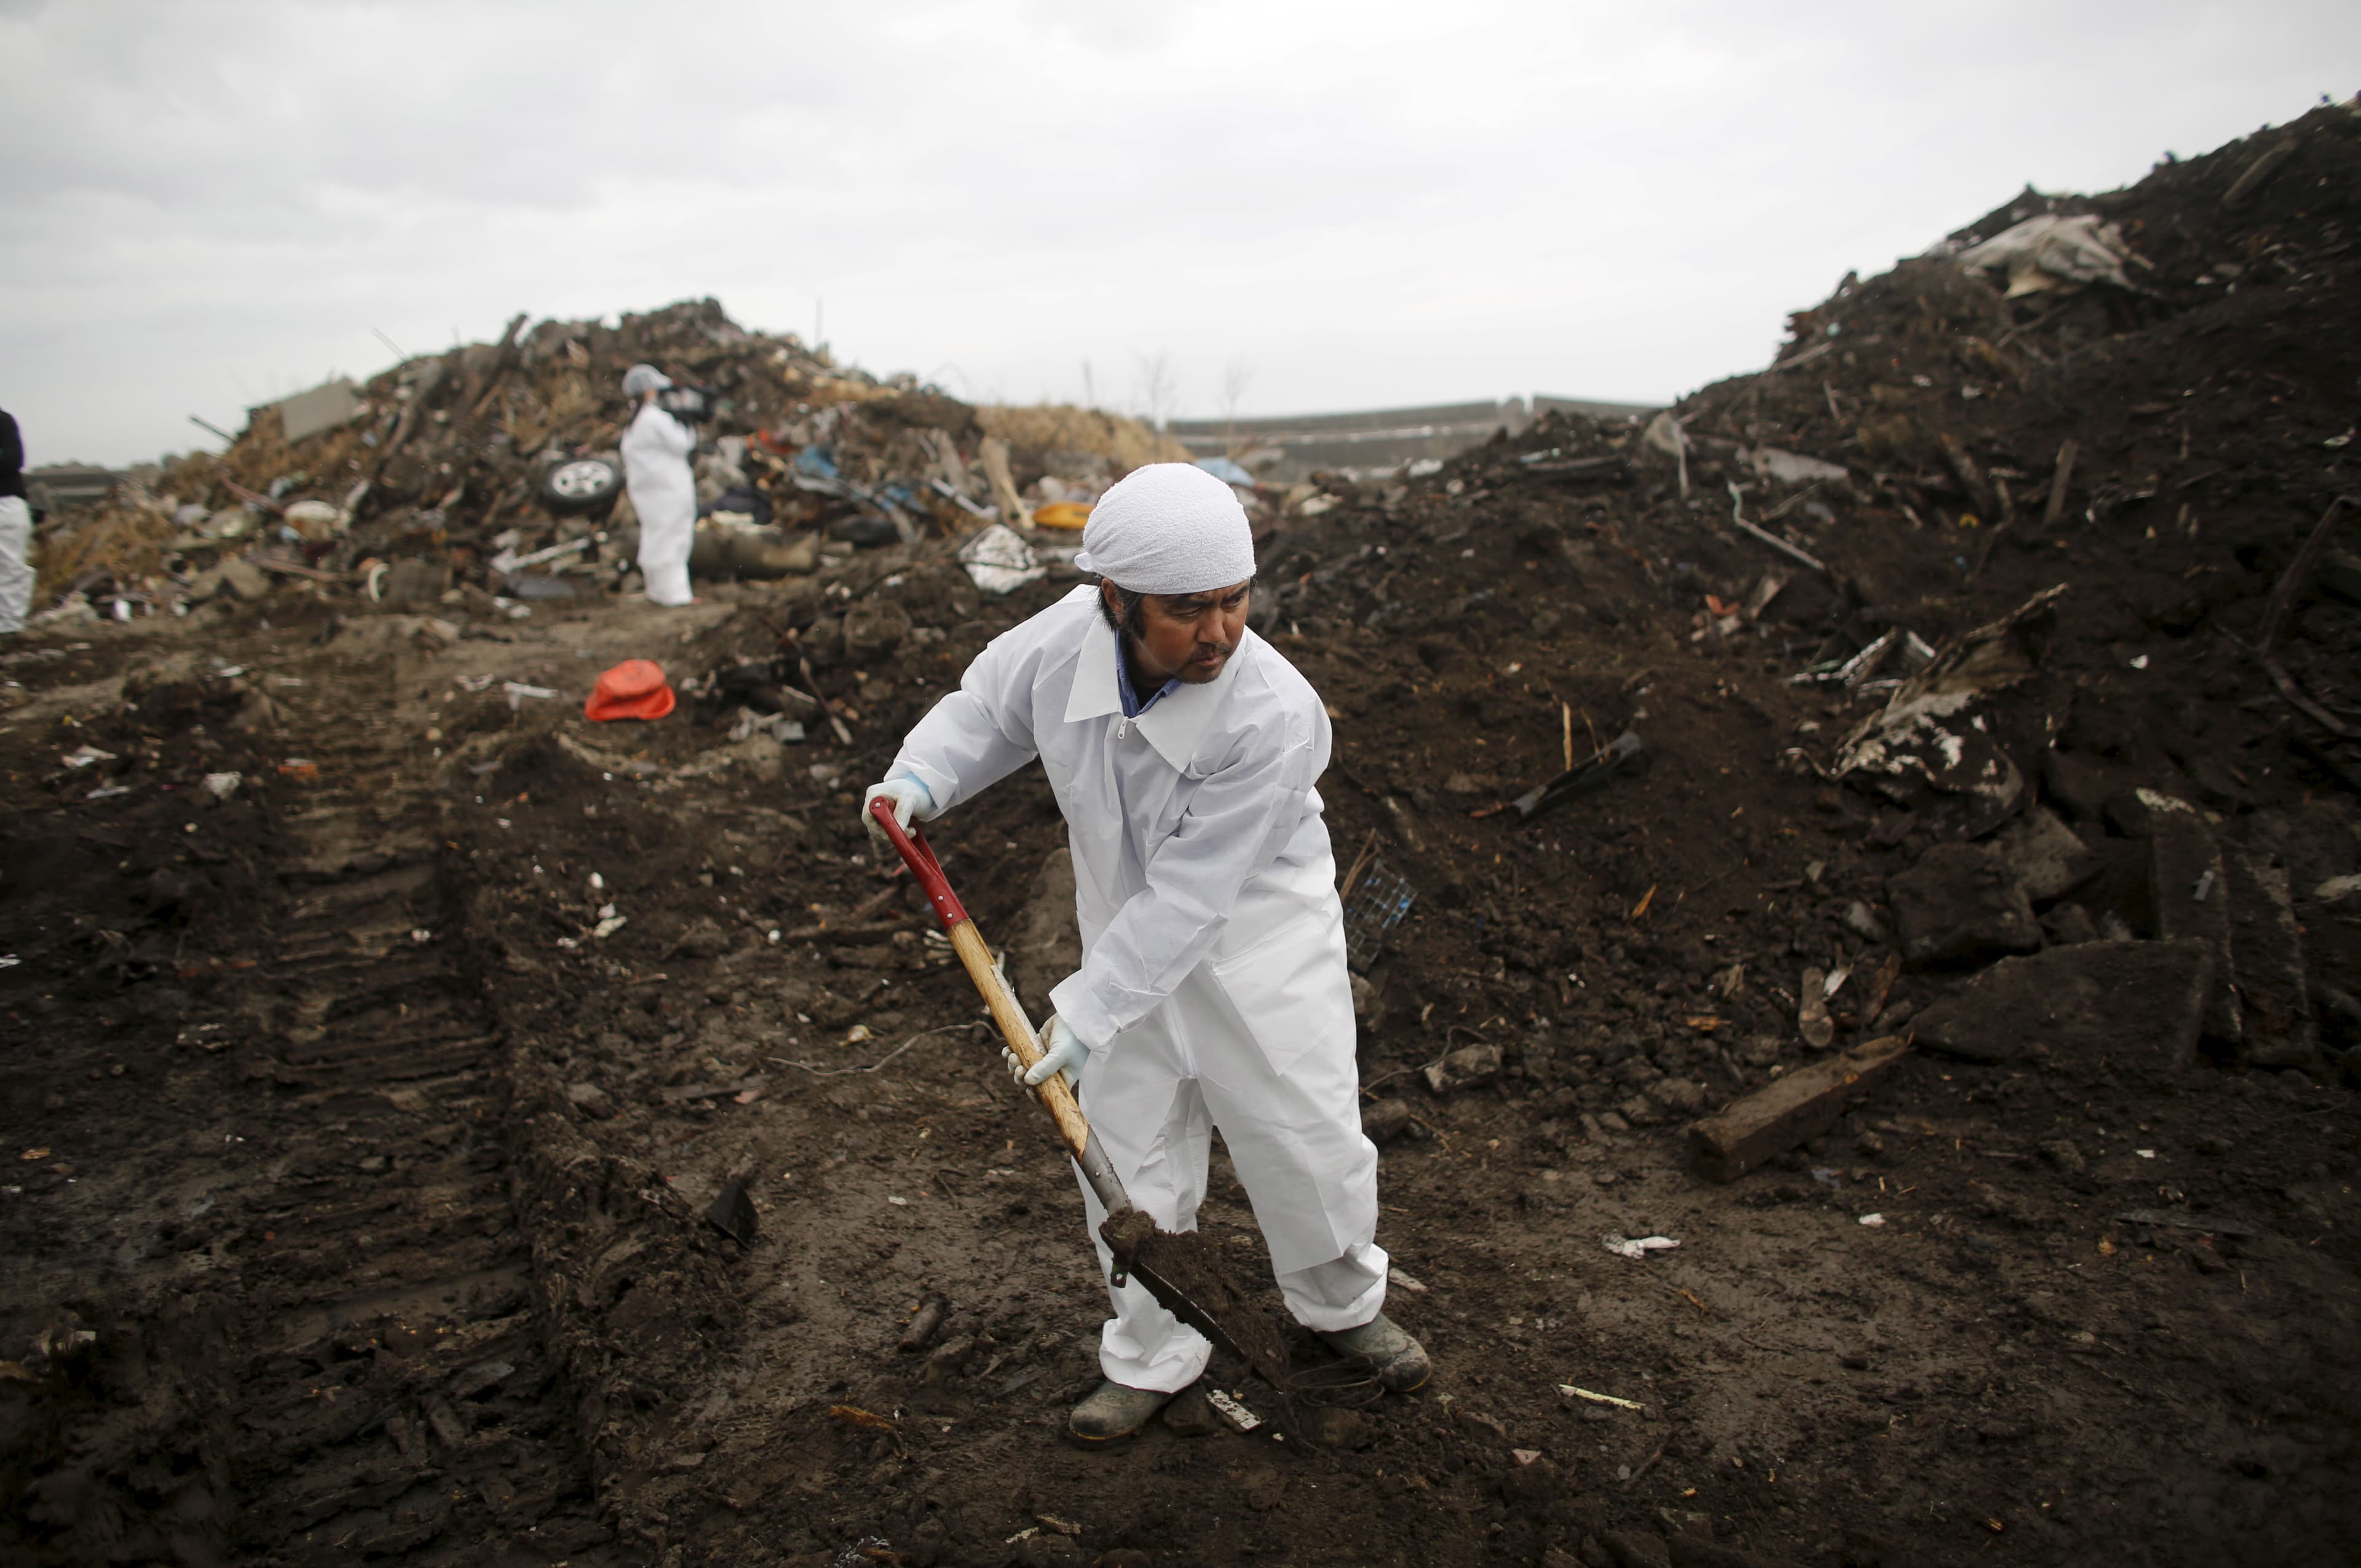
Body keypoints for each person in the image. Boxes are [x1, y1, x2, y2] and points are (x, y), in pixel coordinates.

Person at [863, 462, 1428, 1443]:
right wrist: (917, 779)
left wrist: (1085, 1011)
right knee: (1126, 1147)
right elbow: (984, 711)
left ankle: (1341, 1309)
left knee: (1305, 1136)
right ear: (1113, 598)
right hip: (1122, 931)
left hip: (1258, 945)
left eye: (1234, 601)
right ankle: (1155, 1354)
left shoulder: (1274, 713)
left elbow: (1197, 894)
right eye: (1187, 610)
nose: (1218, 632)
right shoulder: (1057, 647)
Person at [619, 364, 696, 607]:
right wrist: (687, 422)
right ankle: (676, 594)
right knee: (674, 538)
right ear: (649, 390)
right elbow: (682, 444)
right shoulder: (655, 418)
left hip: (649, 492)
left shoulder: (635, 422)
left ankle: (657, 590)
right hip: (670, 489)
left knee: (655, 537)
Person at [0, 406, 32, 634]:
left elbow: (13, 460)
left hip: (6, 502)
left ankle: (9, 630)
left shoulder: (3, 421)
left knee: (10, 568)